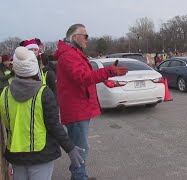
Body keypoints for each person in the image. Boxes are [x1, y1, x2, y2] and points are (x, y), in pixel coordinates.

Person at [53, 23, 128, 180]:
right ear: (75, 37)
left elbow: (85, 76)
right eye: (85, 36)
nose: (87, 39)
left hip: (80, 108)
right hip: (76, 110)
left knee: (82, 148)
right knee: (80, 149)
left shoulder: (74, 53)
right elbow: (83, 78)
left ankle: (80, 176)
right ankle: (79, 177)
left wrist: (107, 71)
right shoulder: (68, 55)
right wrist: (108, 71)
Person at [0, 47, 84, 180]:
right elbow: (54, 126)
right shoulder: (43, 93)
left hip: (15, 155)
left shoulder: (4, 94)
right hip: (41, 154)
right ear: (34, 68)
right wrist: (70, 148)